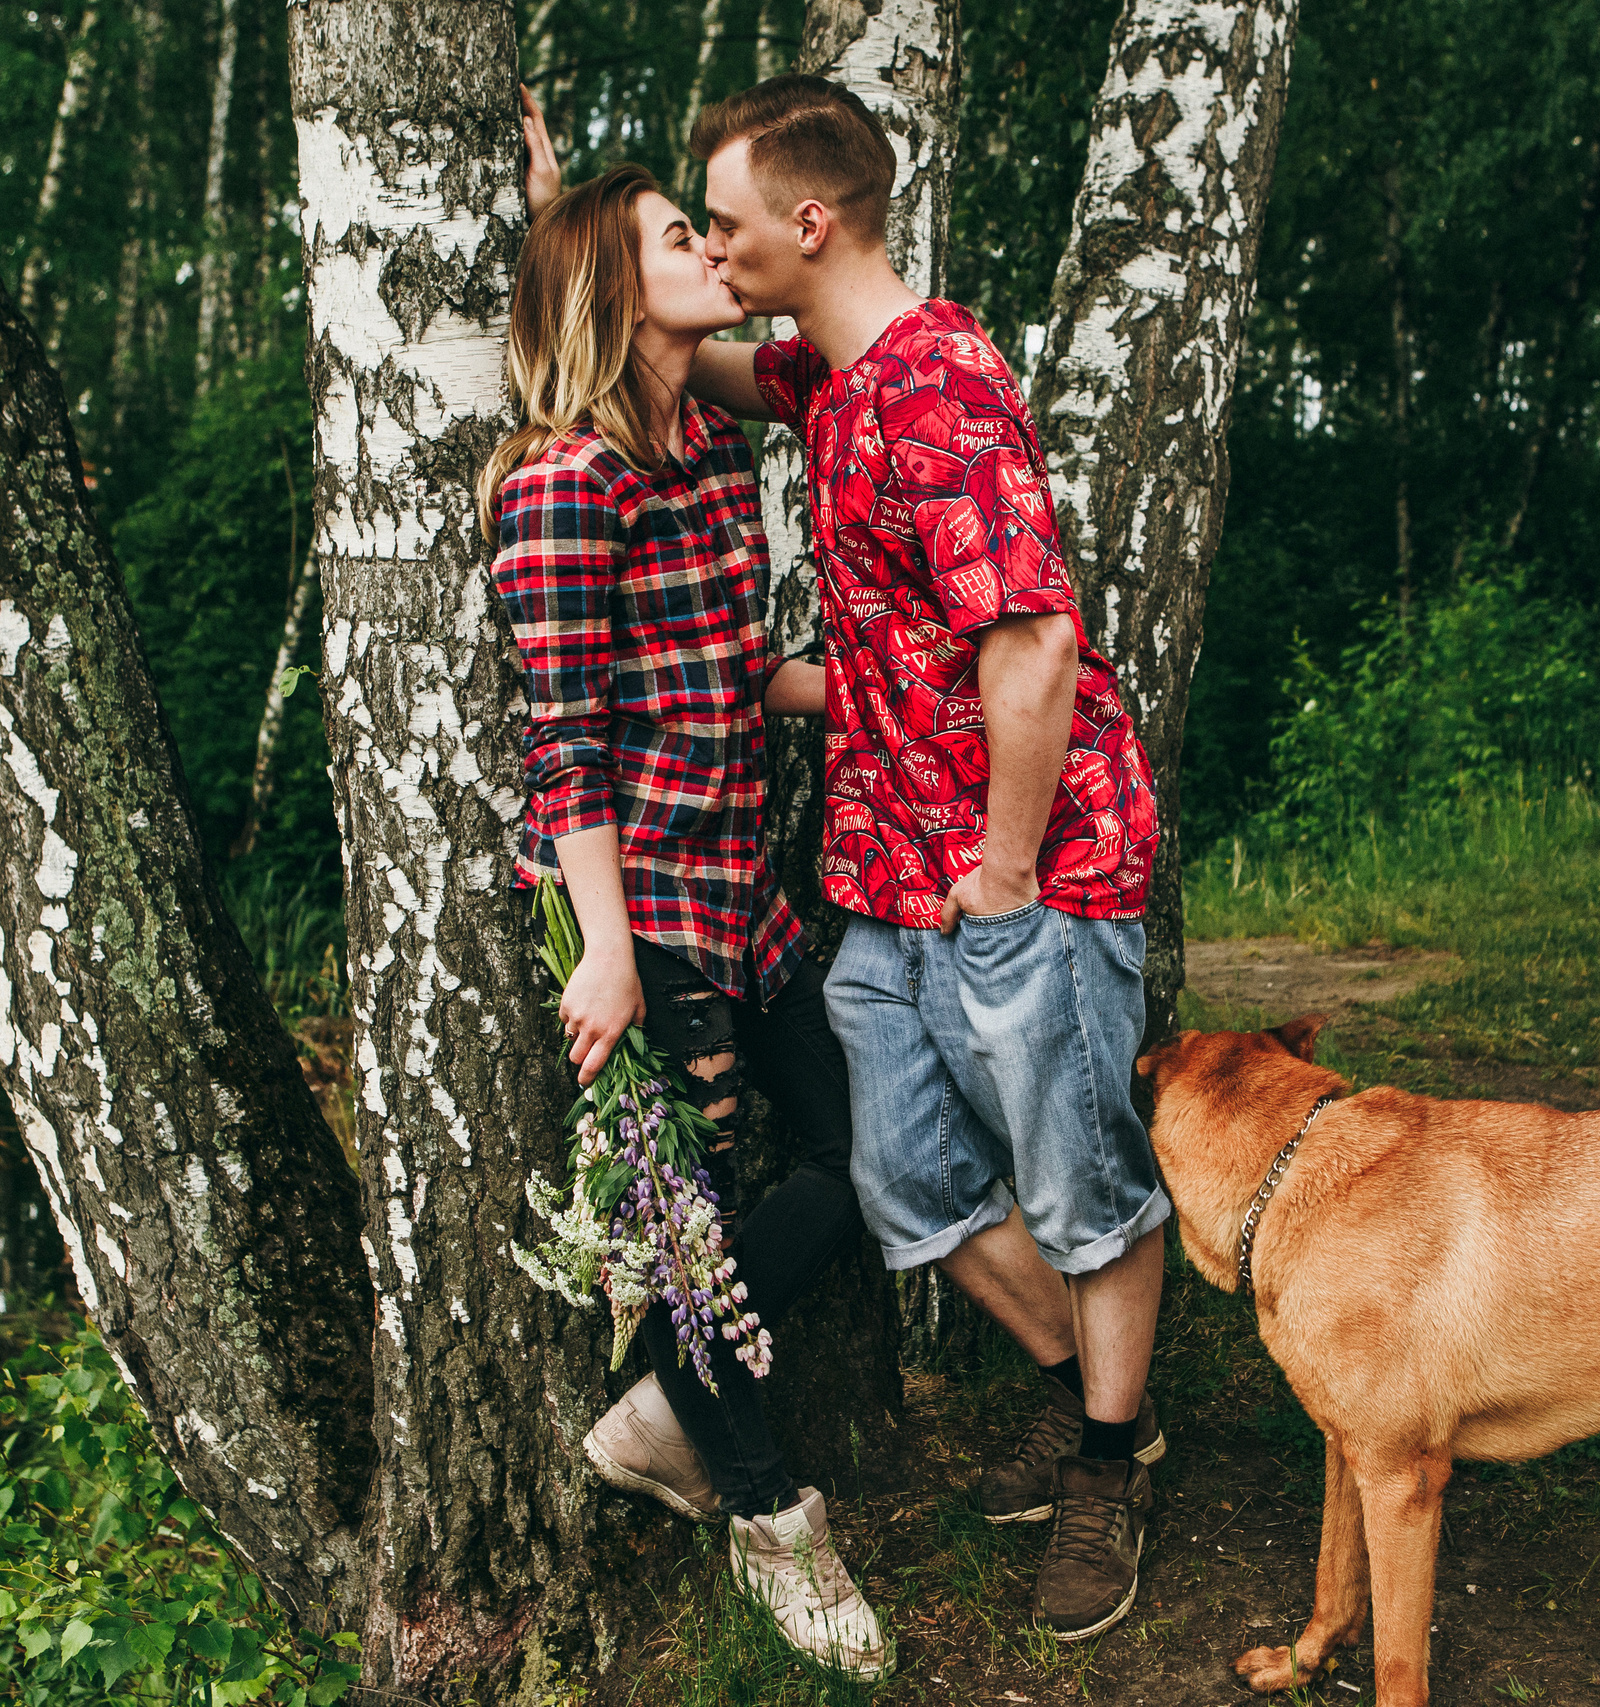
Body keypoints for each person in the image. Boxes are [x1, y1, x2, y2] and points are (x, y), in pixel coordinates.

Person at [670, 76, 1173, 1643]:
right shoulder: (831, 379)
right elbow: (701, 359)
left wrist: (1007, 871)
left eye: (725, 224)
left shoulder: (937, 381)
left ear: (813, 223)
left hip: (1029, 869)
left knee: (1085, 1184)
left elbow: (1031, 642)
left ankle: (1110, 1463)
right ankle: (1093, 1401)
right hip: (889, 877)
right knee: (910, 1187)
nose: (714, 249)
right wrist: (585, 239)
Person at [479, 156, 890, 1682]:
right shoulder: (560, 485)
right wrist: (605, 953)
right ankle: (773, 1520)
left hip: (746, 897)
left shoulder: (708, 443)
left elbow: (730, 664)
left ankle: (660, 1407)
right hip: (641, 911)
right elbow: (565, 743)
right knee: (685, 1229)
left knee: (871, 1156)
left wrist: (880, 696)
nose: (713, 251)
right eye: (677, 236)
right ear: (612, 284)